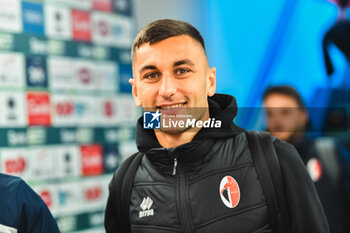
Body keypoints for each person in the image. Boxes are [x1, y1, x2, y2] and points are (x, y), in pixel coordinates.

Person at [105, 19, 329, 233]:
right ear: (136, 92)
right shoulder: (125, 182)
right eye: (152, 75)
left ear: (210, 81)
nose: (167, 90)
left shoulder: (274, 158)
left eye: (182, 71)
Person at [262, 85, 347, 233]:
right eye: (270, 114)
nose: (277, 120)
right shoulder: (261, 166)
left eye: (285, 112)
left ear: (303, 115)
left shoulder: (328, 152)